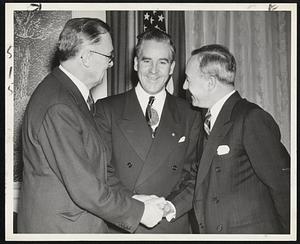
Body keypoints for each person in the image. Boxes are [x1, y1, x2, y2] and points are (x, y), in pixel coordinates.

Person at [17, 18, 166, 233]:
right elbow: (85, 188)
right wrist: (139, 211)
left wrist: (131, 198)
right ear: (87, 57)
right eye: (109, 57)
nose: (110, 64)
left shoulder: (70, 96)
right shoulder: (59, 105)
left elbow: (96, 168)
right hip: (62, 231)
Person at [95, 29, 202, 233]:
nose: (153, 70)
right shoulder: (107, 109)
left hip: (170, 225)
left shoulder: (190, 114)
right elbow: (101, 171)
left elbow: (196, 175)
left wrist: (170, 207)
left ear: (171, 67)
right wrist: (137, 207)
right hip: (124, 224)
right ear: (136, 64)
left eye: (162, 62)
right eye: (146, 61)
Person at [175, 44, 290, 233]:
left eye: (188, 79)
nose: (184, 86)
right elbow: (199, 180)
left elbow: (284, 187)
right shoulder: (207, 122)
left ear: (210, 83)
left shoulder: (250, 118)